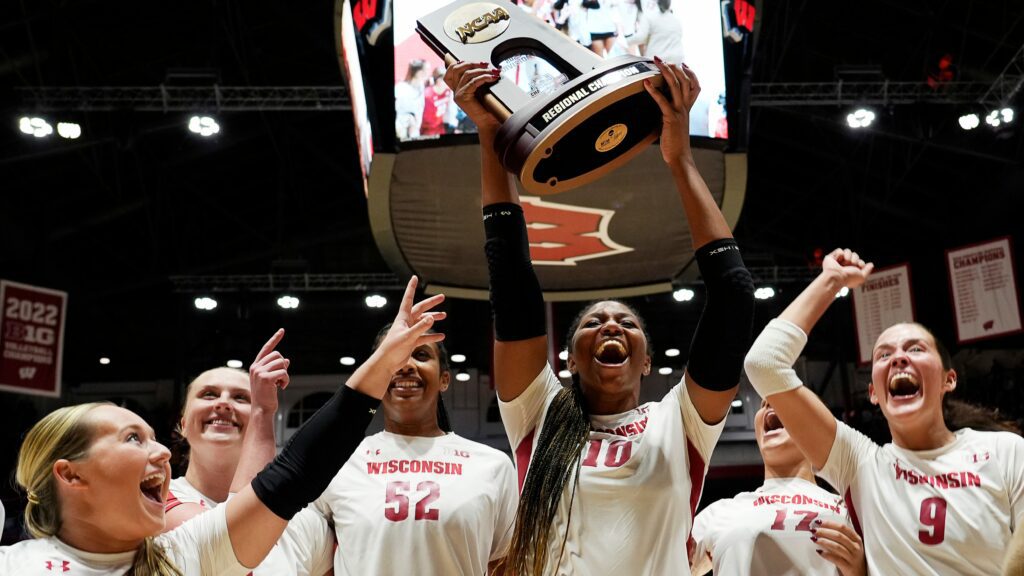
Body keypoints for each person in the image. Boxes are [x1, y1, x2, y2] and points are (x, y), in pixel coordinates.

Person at [445, 58, 755, 574]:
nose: (611, 324)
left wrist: (679, 159)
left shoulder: (679, 422)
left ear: (648, 362)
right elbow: (512, 286)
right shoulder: (537, 412)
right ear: (566, 361)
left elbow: (733, 298)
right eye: (592, 322)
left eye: (627, 323)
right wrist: (492, 136)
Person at [0, 276, 446, 575]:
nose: (159, 453)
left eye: (155, 439)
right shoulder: (16, 565)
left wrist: (384, 362)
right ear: (70, 473)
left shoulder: (185, 555)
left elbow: (295, 473)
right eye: (133, 438)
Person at [744, 248, 1024, 575]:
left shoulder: (1004, 450)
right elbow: (764, 364)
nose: (898, 358)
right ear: (874, 393)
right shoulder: (860, 464)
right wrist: (831, 280)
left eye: (915, 349)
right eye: (883, 355)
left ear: (949, 380)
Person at [312, 324, 518, 575]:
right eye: (394, 355)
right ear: (375, 374)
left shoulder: (493, 466)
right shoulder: (339, 462)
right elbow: (316, 560)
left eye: (421, 355)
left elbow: (504, 564)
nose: (406, 365)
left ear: (444, 379)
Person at [162, 336, 333, 574]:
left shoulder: (307, 521)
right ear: (183, 425)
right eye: (209, 394)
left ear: (256, 425)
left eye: (241, 397)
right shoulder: (153, 503)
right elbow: (236, 534)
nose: (223, 404)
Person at [691, 397, 866, 576]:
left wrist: (861, 572)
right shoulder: (720, 513)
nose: (769, 401)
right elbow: (665, 563)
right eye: (763, 402)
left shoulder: (851, 513)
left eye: (785, 399)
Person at [630, 0, 684, 65]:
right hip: (677, 59)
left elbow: (641, 38)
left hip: (659, 60)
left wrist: (624, 40)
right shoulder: (675, 19)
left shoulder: (648, 16)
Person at [396, 60, 429, 141]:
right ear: (419, 72)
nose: (428, 73)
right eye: (426, 70)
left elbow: (420, 108)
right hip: (401, 132)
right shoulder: (400, 88)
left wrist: (415, 125)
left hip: (414, 132)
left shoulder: (421, 86)